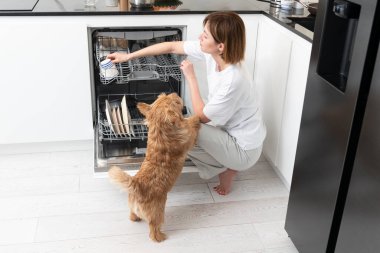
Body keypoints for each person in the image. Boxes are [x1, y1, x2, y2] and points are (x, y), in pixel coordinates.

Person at [107, 11, 266, 195]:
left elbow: (201, 118)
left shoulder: (233, 79)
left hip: (244, 150)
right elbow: (172, 46)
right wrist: (128, 57)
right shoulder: (215, 53)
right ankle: (225, 165)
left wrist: (191, 77)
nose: (200, 37)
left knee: (176, 132)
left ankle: (228, 167)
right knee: (180, 134)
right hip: (231, 133)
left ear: (220, 46)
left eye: (205, 35)